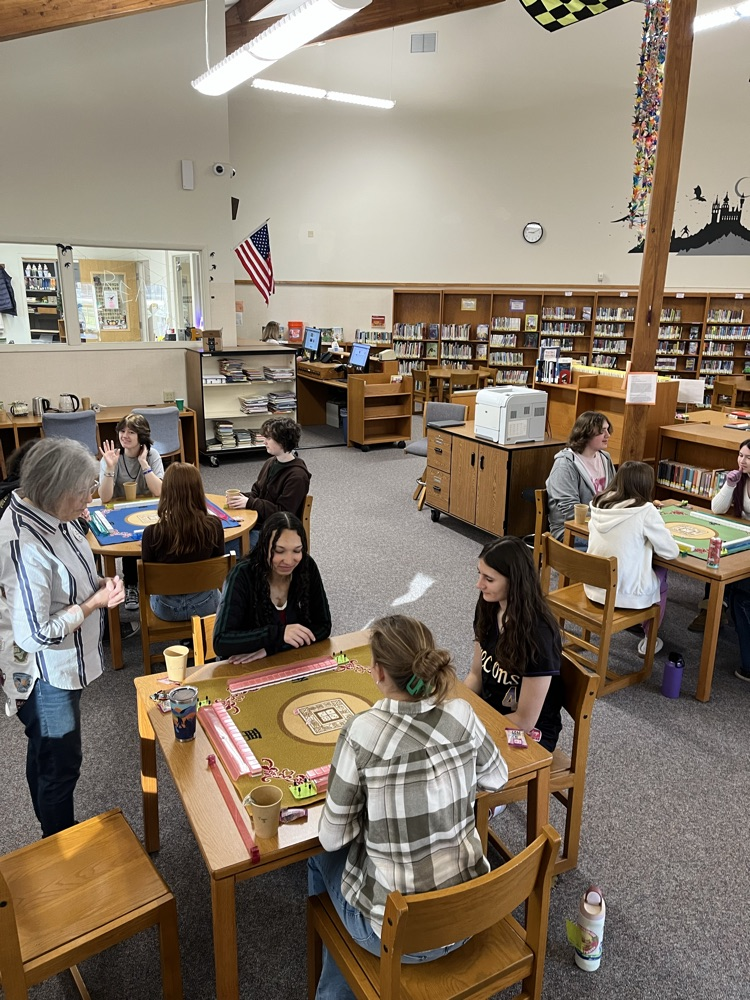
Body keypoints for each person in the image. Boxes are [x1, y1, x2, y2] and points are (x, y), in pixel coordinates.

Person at [308, 614, 508, 1000]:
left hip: (397, 935)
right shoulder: (462, 714)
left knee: (317, 858)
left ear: (379, 673)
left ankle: (338, 978)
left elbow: (333, 837)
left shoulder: (361, 731)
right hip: (467, 916)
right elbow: (497, 777)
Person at [0, 438, 125, 837]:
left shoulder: (56, 513)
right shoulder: (23, 543)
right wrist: (93, 604)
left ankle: (51, 833)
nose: (89, 499)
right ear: (55, 490)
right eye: (83, 491)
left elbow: (69, 577)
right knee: (60, 763)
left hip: (65, 662)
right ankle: (58, 844)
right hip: (42, 673)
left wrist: (99, 584)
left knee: (45, 750)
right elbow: (35, 634)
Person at [467, 535, 563, 752]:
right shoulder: (488, 605)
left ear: (514, 581)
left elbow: (525, 719)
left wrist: (472, 730)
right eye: (479, 574)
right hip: (492, 709)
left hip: (529, 729)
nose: (479, 584)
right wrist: (457, 709)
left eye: (489, 579)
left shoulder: (539, 634)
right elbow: (475, 675)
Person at [586, 461, 679, 656]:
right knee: (662, 573)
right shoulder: (646, 511)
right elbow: (671, 552)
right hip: (625, 594)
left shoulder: (598, 503)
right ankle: (650, 637)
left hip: (594, 587)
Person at [213, 511, 330, 663]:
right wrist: (279, 634)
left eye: (297, 550)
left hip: (289, 662)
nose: (289, 561)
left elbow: (323, 626)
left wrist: (272, 648)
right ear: (263, 547)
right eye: (279, 551)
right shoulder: (242, 575)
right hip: (244, 670)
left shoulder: (306, 567)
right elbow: (221, 642)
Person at [140, 462, 225, 621]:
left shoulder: (152, 533)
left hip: (166, 609)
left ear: (166, 492)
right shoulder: (214, 525)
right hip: (206, 605)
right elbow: (217, 563)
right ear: (198, 490)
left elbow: (148, 579)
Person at [99, 412, 164, 611]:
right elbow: (105, 497)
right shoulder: (113, 457)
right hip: (119, 509)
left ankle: (159, 582)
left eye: (131, 432)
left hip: (150, 508)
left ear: (141, 436)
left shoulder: (152, 455)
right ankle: (131, 585)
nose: (124, 435)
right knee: (129, 539)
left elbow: (160, 491)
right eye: (122, 431)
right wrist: (110, 467)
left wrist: (144, 464)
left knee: (157, 535)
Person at [225, 417, 310, 549]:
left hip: (278, 532)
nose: (264, 442)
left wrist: (249, 502)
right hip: (262, 523)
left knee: (224, 545)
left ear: (283, 441)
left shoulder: (297, 476)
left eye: (269, 438)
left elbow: (283, 513)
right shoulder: (270, 462)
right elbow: (257, 492)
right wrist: (241, 497)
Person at [708, 438, 750, 680]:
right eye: (740, 455)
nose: (741, 461)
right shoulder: (738, 477)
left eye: (747, 457)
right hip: (740, 542)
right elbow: (716, 508)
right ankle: (713, 613)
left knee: (742, 595)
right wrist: (728, 486)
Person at [546, 411, 616, 541]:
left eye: (607, 430)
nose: (608, 435)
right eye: (602, 431)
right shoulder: (565, 464)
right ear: (586, 433)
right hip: (570, 531)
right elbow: (570, 511)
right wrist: (607, 519)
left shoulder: (605, 458)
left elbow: (616, 494)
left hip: (601, 526)